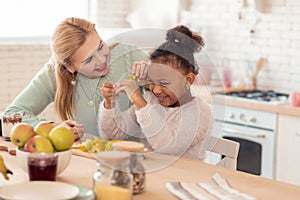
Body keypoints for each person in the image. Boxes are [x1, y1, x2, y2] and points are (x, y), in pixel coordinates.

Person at [4, 17, 148, 139]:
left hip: (139, 161)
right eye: (88, 60)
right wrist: (53, 128)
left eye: (100, 47)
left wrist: (152, 76)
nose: (101, 60)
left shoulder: (130, 56)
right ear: (70, 67)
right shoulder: (55, 72)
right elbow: (10, 115)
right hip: (86, 163)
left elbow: (167, 108)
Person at [98, 25, 212, 160]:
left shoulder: (200, 113)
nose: (156, 90)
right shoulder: (152, 100)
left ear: (188, 80)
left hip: (182, 179)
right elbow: (113, 134)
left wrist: (139, 100)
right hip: (149, 172)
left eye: (164, 83)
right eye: (152, 81)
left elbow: (168, 148)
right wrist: (109, 103)